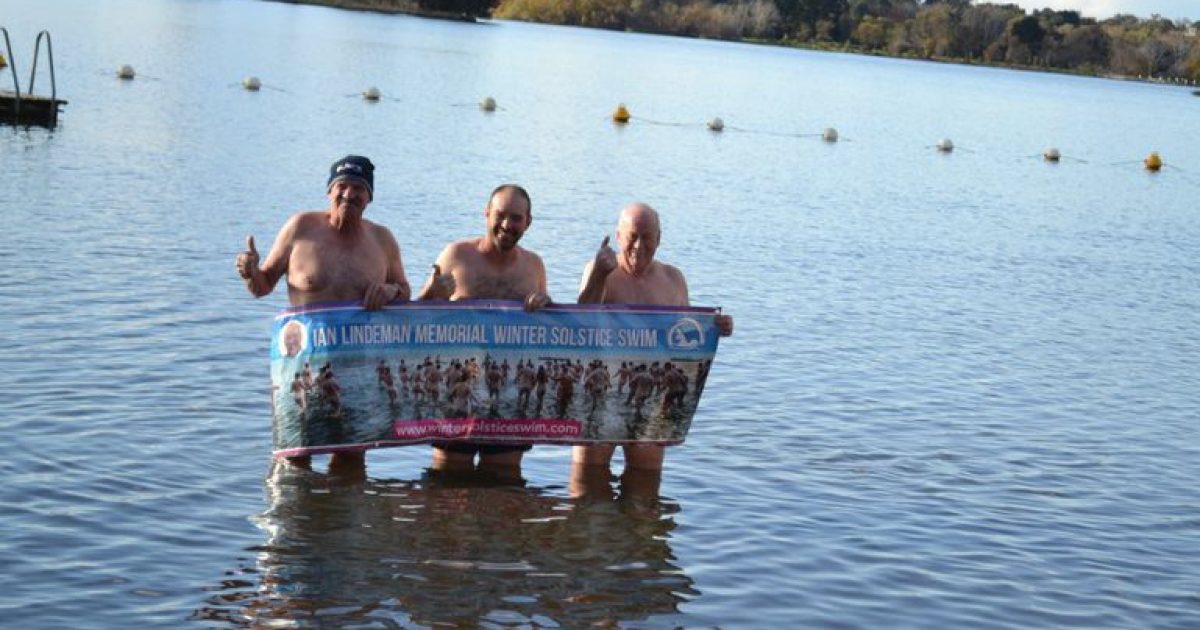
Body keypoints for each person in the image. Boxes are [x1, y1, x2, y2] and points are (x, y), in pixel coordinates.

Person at [236, 155, 411, 473]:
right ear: (329, 191)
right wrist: (250, 273)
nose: (349, 194)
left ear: (369, 197)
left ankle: (344, 522)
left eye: (359, 188)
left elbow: (404, 290)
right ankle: (297, 520)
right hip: (300, 364)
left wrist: (391, 291)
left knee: (351, 460)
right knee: (294, 460)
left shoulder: (382, 240)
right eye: (341, 186)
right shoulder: (301, 227)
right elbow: (262, 287)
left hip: (357, 367)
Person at [573, 202, 733, 474]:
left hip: (653, 397)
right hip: (603, 393)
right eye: (632, 236)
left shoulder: (673, 278)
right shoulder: (599, 270)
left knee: (644, 488)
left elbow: (685, 338)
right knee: (587, 485)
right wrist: (600, 274)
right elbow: (581, 320)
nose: (638, 245)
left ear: (659, 238)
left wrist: (716, 327)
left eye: (647, 237)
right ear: (619, 236)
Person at [418, 184, 550, 474]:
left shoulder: (533, 266)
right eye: (500, 215)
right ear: (486, 213)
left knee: (503, 480)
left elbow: (543, 331)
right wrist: (430, 294)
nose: (507, 224)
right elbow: (415, 322)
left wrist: (544, 306)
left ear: (528, 222)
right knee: (448, 485)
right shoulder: (456, 255)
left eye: (516, 218)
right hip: (458, 390)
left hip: (508, 393)